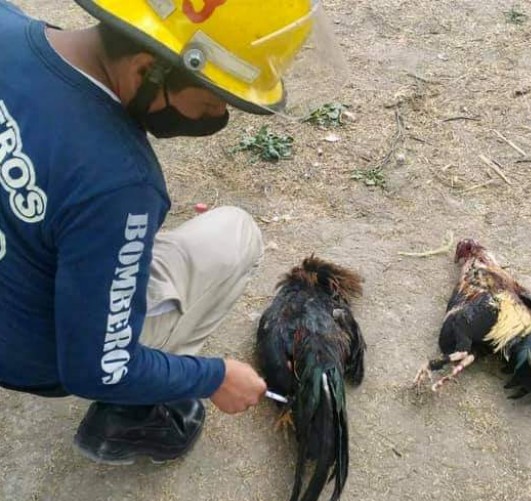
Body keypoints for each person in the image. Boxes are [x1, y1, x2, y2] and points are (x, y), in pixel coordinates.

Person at [0, 0, 321, 464]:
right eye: (211, 99)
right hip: (28, 356)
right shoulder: (119, 182)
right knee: (235, 236)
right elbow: (98, 369)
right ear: (147, 67)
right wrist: (213, 376)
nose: (215, 116)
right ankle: (133, 417)